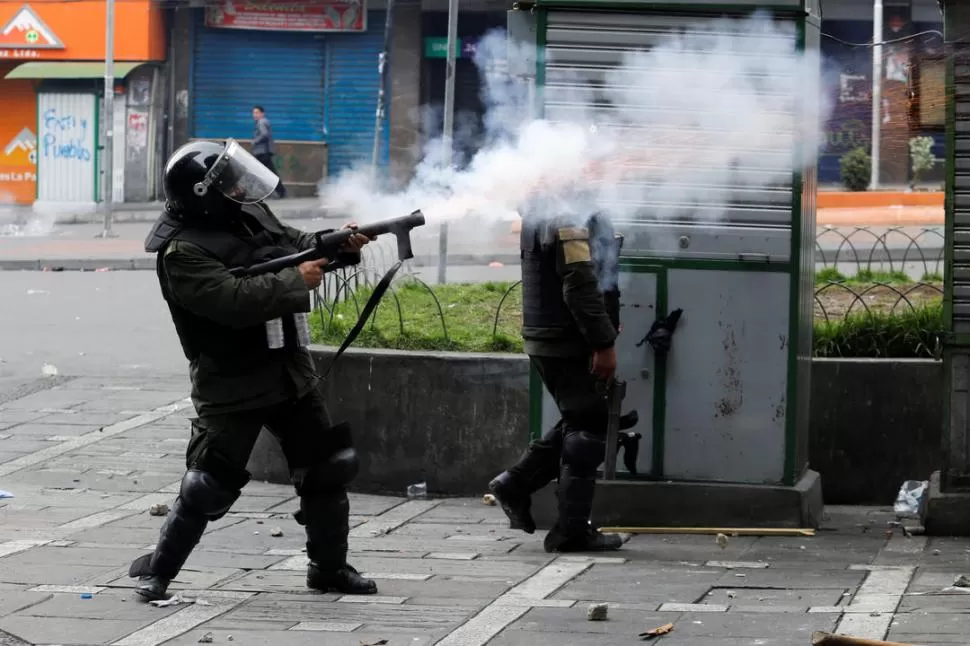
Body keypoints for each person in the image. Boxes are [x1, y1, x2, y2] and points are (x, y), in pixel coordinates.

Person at [129, 138, 376, 602]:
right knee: (207, 485)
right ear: (205, 194)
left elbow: (295, 244)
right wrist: (294, 281)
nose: (239, 187)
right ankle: (157, 573)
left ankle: (329, 569)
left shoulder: (247, 215)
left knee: (327, 467)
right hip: (232, 380)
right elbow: (230, 301)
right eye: (227, 183)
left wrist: (339, 243)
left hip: (286, 369)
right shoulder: (182, 251)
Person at [488, 210, 625, 553]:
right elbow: (578, 281)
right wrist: (602, 341)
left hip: (553, 334)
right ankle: (570, 531)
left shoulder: (550, 199)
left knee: (582, 417)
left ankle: (515, 484)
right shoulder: (567, 206)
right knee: (589, 427)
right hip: (566, 336)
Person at [252, 106, 285, 198]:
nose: (255, 115)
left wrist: (255, 141)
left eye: (257, 112)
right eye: (254, 113)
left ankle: (280, 191)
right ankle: (280, 191)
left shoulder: (261, 122)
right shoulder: (262, 122)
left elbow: (264, 134)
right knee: (269, 173)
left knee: (266, 174)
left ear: (262, 113)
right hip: (263, 153)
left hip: (263, 153)